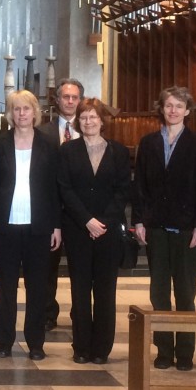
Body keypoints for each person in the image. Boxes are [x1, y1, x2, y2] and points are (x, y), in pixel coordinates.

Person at [132, 86, 196, 371]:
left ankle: (186, 353)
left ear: (187, 111)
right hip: (155, 227)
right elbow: (139, 186)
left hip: (187, 228)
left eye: (179, 106)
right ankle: (164, 350)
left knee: (186, 293)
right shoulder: (149, 142)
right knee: (159, 292)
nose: (173, 110)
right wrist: (139, 220)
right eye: (168, 106)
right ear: (162, 109)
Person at [0, 90, 61, 360]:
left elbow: (54, 188)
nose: (22, 114)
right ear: (10, 114)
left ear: (35, 112)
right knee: (6, 287)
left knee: (37, 288)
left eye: (26, 109)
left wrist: (56, 226)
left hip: (38, 225)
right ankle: (5, 341)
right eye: (16, 109)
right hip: (6, 225)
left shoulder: (49, 143)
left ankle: (36, 342)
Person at [58, 98, 131, 365]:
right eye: (84, 117)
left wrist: (103, 222)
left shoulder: (119, 152)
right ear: (78, 122)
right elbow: (64, 188)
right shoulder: (68, 151)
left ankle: (101, 349)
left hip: (108, 231)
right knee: (79, 290)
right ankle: (81, 347)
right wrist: (86, 220)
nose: (88, 122)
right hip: (78, 229)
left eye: (93, 117)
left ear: (102, 121)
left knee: (104, 292)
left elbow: (123, 191)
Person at [38, 78, 84, 331]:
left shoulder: (90, 128)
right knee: (47, 268)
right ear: (57, 100)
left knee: (80, 268)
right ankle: (47, 314)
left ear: (80, 100)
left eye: (74, 97)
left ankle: (80, 313)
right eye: (65, 96)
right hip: (51, 209)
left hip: (80, 212)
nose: (69, 101)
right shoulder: (43, 132)